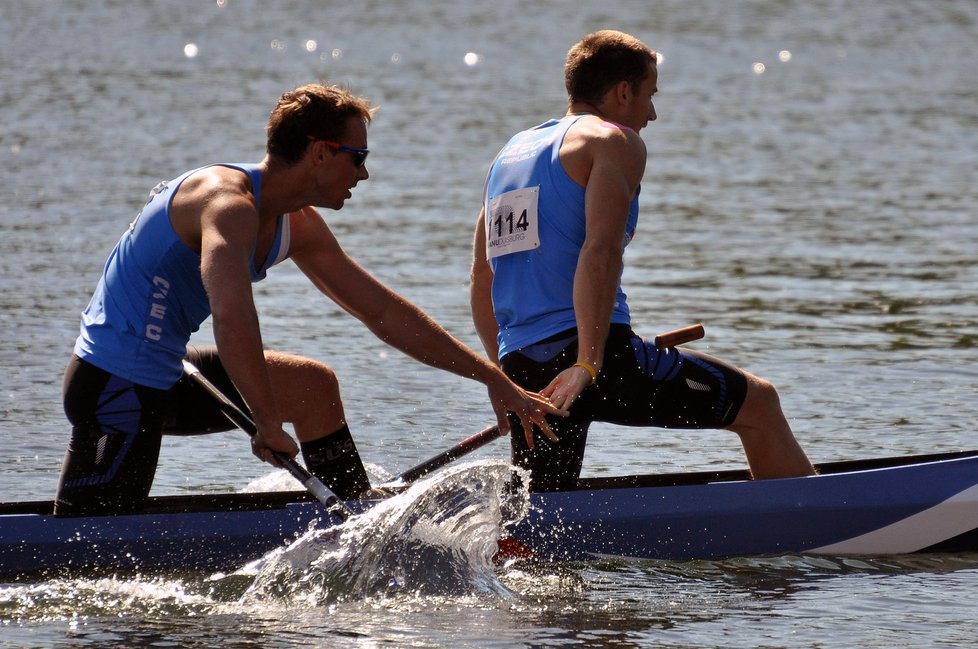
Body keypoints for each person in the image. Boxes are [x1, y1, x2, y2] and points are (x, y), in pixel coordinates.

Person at [56, 83, 565, 516]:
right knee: (85, 553)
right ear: (320, 152)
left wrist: (494, 378)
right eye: (357, 158)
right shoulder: (226, 205)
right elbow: (231, 317)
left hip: (168, 369)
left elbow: (382, 312)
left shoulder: (296, 224)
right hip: (114, 383)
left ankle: (347, 522)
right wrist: (268, 423)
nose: (363, 174)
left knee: (312, 387)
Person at [469, 30, 816, 492]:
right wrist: (588, 365)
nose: (652, 113)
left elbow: (482, 275)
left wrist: (505, 382)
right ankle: (812, 528)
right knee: (759, 405)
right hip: (595, 360)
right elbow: (601, 249)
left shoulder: (509, 155)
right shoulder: (614, 141)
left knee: (541, 516)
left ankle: (512, 554)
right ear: (623, 92)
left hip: (525, 368)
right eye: (650, 96)